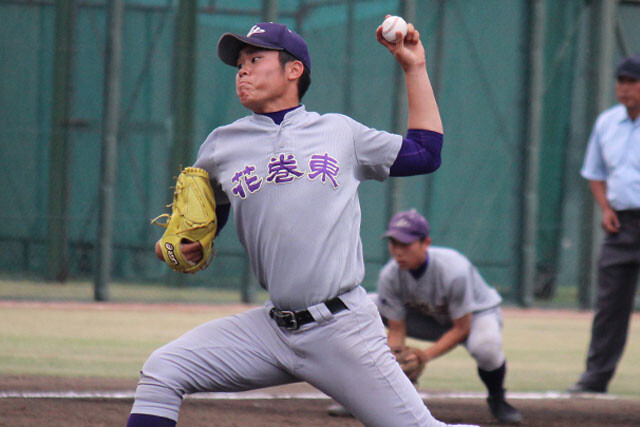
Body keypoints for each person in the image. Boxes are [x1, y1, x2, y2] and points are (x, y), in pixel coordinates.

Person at [127, 18, 478, 427]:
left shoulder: (339, 132)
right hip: (272, 329)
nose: (242, 71)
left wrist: (414, 67)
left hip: (342, 329)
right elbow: (203, 224)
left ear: (294, 69)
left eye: (255, 59)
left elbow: (425, 153)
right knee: (164, 370)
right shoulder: (222, 145)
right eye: (239, 63)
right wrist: (179, 245)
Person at [328, 210, 523, 424]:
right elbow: (397, 329)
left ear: (425, 243)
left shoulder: (454, 270)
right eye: (394, 243)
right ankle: (369, 399)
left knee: (486, 347)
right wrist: (397, 360)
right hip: (429, 319)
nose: (398, 251)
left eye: (405, 244)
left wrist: (424, 356)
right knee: (369, 304)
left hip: (475, 317)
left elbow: (461, 328)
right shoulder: (390, 275)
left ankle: (497, 399)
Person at [568, 53, 640, 394]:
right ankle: (595, 378)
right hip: (620, 225)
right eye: (620, 81)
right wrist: (605, 208)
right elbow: (595, 172)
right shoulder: (607, 122)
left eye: (631, 82)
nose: (623, 88)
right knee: (610, 306)